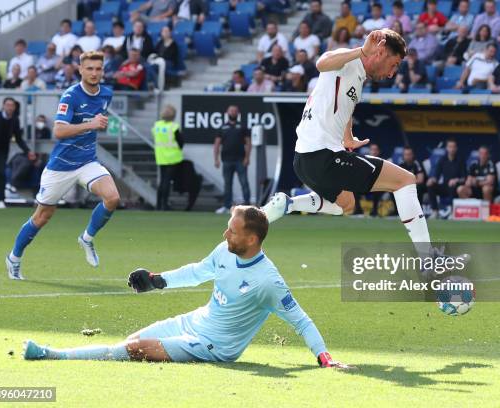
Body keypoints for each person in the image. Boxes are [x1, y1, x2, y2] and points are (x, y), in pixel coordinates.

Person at [23, 206, 352, 369]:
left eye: (232, 231)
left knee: (137, 351)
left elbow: (301, 321)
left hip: (213, 347)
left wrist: (324, 358)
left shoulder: (269, 281)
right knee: (132, 343)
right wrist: (156, 281)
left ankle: (54, 354)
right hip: (195, 321)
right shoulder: (225, 250)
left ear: (251, 239)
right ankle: (63, 353)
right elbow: (197, 271)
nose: (225, 235)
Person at [262, 29, 445, 261]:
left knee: (345, 204)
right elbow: (321, 63)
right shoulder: (348, 59)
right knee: (405, 180)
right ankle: (427, 257)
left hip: (304, 160)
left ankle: (287, 204)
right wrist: (361, 50)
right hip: (323, 156)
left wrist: (348, 137)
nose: (393, 73)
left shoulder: (358, 77)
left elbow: (346, 107)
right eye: (394, 63)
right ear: (380, 52)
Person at [6, 51, 117, 280]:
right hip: (61, 166)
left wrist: (96, 125)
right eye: (90, 68)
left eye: (98, 68)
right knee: (41, 217)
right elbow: (59, 131)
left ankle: (87, 238)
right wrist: (91, 124)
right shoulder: (70, 96)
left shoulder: (107, 93)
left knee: (112, 198)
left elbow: (97, 123)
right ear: (80, 70)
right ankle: (14, 258)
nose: (94, 73)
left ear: (103, 70)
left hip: (87, 161)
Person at [0, 98, 36, 209]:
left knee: (2, 173)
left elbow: (19, 138)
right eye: (7, 105)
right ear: (3, 106)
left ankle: (1, 199)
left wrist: (28, 151)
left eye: (12, 105)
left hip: (2, 151)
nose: (9, 107)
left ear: (14, 107)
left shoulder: (14, 120)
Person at [213, 105, 251, 214]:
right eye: (231, 111)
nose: (233, 112)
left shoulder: (242, 127)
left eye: (235, 111)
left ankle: (248, 207)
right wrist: (216, 159)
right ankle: (226, 206)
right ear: (227, 112)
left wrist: (247, 158)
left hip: (240, 160)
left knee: (244, 183)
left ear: (238, 113)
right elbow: (217, 144)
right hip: (226, 160)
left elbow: (248, 143)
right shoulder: (222, 127)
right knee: (227, 184)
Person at [153, 104, 184, 210]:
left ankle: (158, 204)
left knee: (162, 181)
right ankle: (164, 204)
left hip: (160, 157)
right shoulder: (174, 126)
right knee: (167, 181)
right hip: (172, 157)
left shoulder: (157, 125)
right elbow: (181, 142)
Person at [426, 138, 466, 219]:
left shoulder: (460, 160)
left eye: (453, 147)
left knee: (452, 185)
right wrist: (432, 180)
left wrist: (456, 180)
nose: (451, 149)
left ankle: (452, 212)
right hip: (445, 186)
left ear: (456, 148)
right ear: (447, 148)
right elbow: (436, 176)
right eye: (450, 147)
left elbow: (464, 178)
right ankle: (435, 211)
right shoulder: (442, 159)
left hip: (456, 186)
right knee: (431, 186)